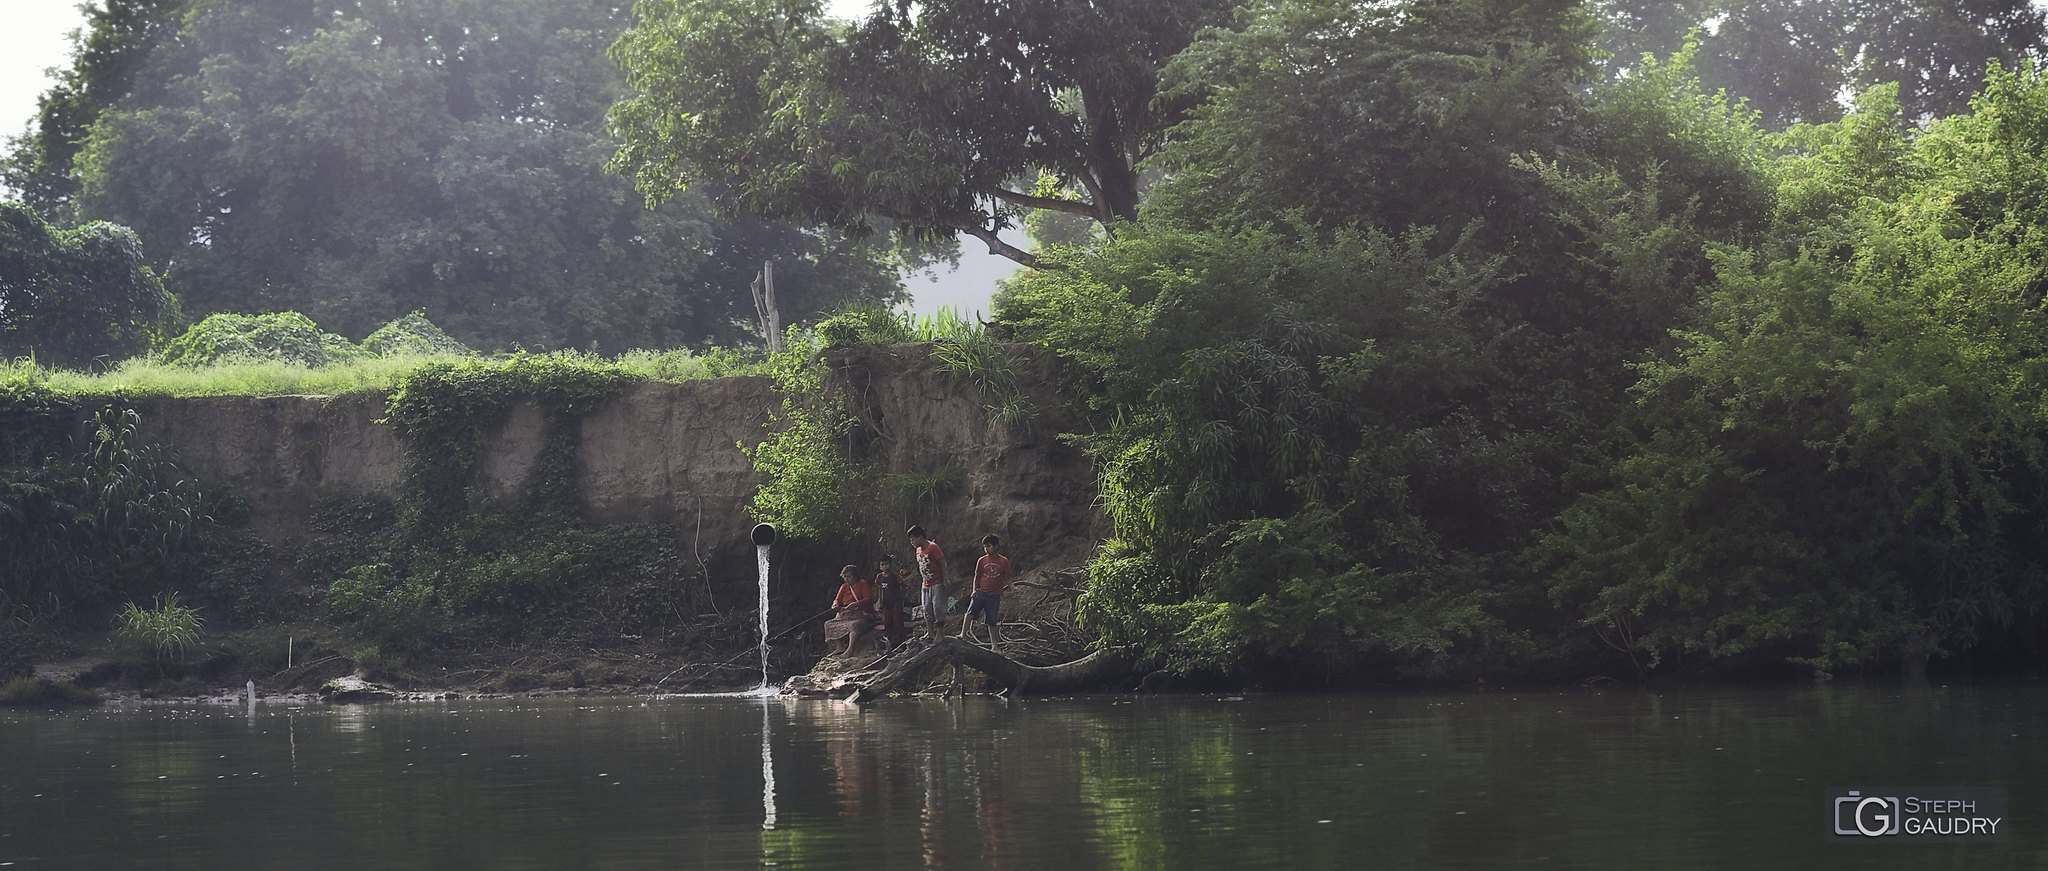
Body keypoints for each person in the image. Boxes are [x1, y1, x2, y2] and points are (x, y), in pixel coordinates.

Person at [962, 534, 1012, 648]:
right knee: (969, 613)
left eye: (989, 546)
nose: (986, 549)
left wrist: (1012, 587)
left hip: (994, 595)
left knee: (992, 621)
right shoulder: (982, 560)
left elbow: (1006, 577)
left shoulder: (1003, 561)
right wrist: (974, 589)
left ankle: (994, 645)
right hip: (981, 592)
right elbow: (977, 576)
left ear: (996, 546)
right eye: (985, 547)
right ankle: (962, 634)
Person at [823, 564, 874, 656]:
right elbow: (837, 599)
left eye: (849, 577)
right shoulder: (844, 586)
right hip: (845, 613)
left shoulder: (862, 583)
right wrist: (835, 605)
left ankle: (850, 649)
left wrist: (856, 604)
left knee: (854, 625)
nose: (846, 579)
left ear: (855, 576)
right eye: (845, 577)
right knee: (828, 624)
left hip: (860, 613)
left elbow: (868, 598)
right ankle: (840, 647)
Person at [909, 525, 949, 643]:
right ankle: (930, 632)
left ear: (920, 537)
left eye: (913, 539)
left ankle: (940, 633)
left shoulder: (933, 547)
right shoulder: (918, 550)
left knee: (938, 607)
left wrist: (945, 579)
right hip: (926, 583)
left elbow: (942, 563)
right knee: (926, 607)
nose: (912, 542)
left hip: (937, 582)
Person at [875, 553, 908, 651]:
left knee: (898, 623)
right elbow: (880, 589)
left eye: (886, 564)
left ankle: (902, 644)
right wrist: (879, 601)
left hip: (896, 602)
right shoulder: (879, 577)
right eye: (882, 565)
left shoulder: (895, 576)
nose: (885, 567)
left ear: (890, 565)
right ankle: (890, 644)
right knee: (888, 623)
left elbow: (903, 586)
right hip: (886, 603)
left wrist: (902, 598)